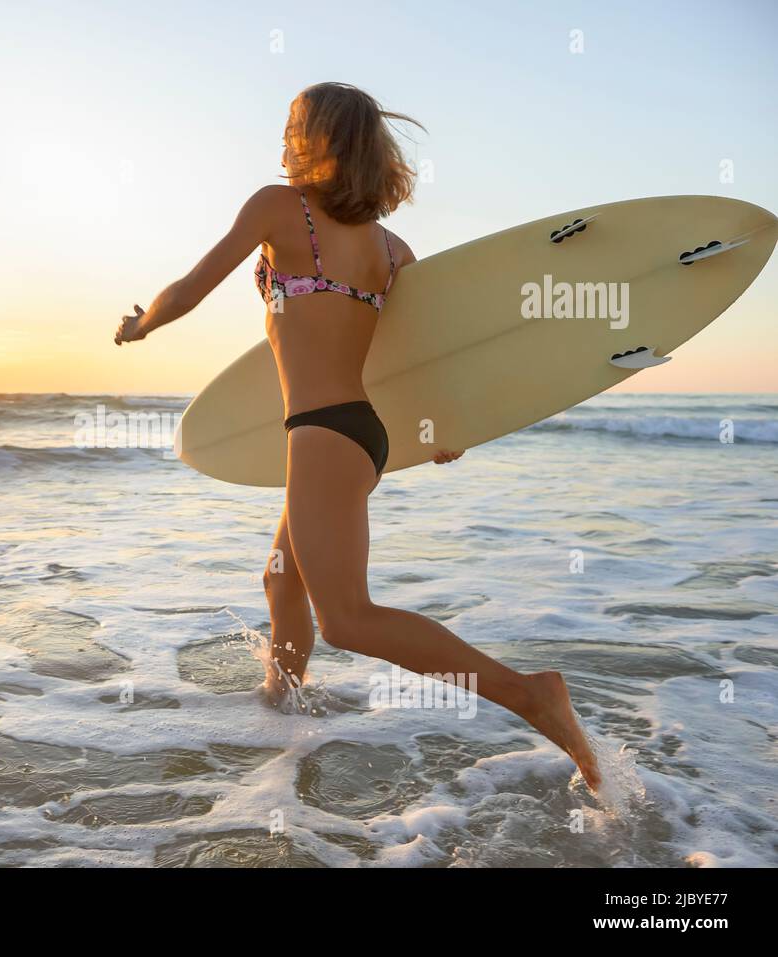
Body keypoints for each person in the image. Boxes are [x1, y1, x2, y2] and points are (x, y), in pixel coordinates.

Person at [115, 82, 600, 790]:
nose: (282, 141)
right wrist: (442, 425)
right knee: (281, 577)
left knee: (347, 617)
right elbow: (421, 351)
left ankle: (530, 693)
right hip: (356, 435)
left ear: (323, 141)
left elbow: (191, 287)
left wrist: (142, 324)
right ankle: (283, 706)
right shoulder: (391, 246)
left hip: (320, 433)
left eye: (293, 128)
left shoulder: (277, 207)